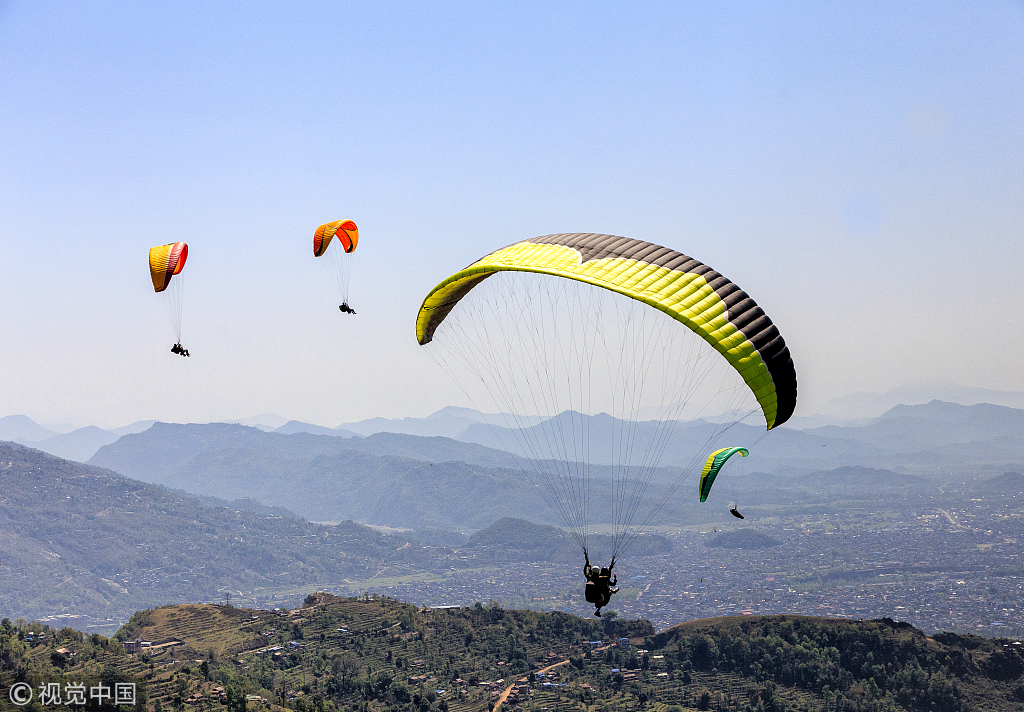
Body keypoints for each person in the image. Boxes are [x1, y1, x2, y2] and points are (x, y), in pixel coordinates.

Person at [583, 549, 618, 617]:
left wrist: (586, 564)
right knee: (606, 595)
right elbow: (608, 577)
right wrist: (610, 568)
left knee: (603, 596)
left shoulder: (589, 577)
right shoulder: (600, 578)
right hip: (597, 598)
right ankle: (598, 611)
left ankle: (598, 611)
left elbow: (585, 572)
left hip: (590, 597)